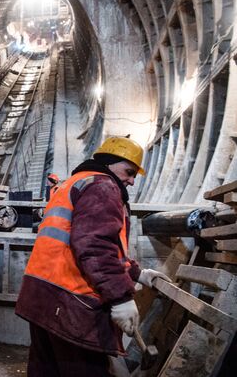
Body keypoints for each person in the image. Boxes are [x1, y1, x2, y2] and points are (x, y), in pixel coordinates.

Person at [15, 137, 171, 377]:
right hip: (72, 304)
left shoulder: (73, 183)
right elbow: (95, 245)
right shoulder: (103, 186)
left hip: (41, 297)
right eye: (129, 172)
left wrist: (138, 274)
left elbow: (92, 243)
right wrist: (120, 298)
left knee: (46, 370)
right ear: (109, 162)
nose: (131, 181)